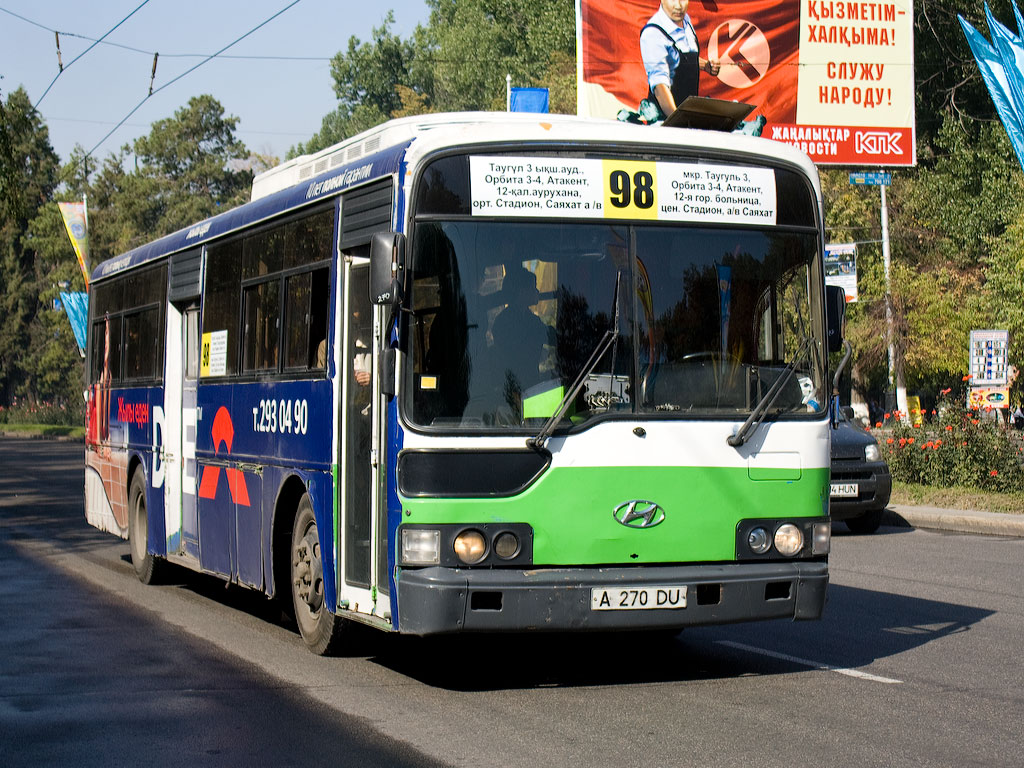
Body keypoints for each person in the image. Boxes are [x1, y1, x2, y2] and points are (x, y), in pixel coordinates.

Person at [639, 0, 720, 120]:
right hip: (665, 120)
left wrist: (705, 65)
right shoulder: (653, 33)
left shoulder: (685, 21)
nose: (678, 6)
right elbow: (659, 87)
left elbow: (679, 58)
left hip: (688, 115)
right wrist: (677, 120)